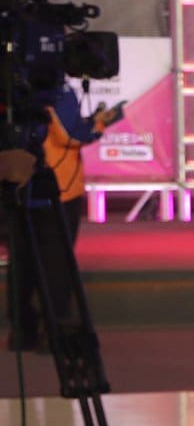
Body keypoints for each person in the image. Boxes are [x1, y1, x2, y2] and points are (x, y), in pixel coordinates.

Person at [4, 88, 121, 352]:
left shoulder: (11, 85)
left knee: (21, 260)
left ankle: (22, 332)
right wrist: (98, 124)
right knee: (56, 262)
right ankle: (55, 331)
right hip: (57, 188)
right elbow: (72, 136)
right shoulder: (55, 89)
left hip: (17, 184)